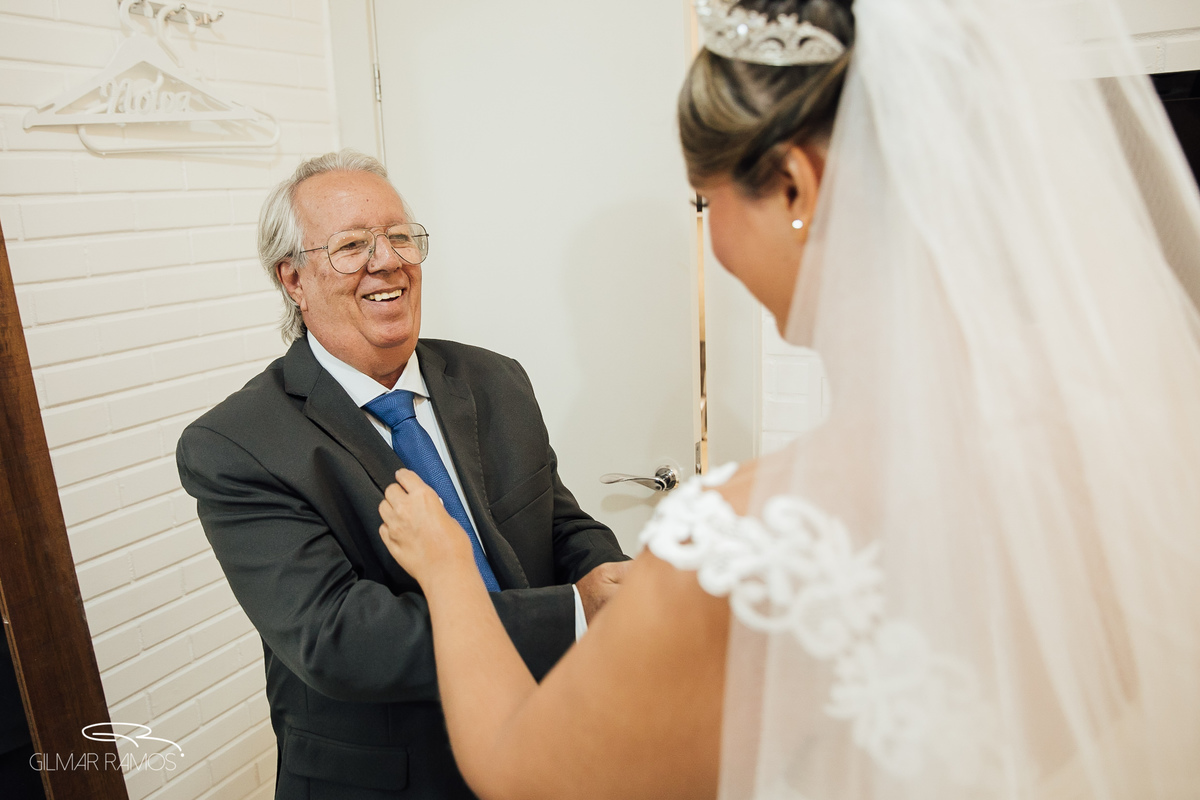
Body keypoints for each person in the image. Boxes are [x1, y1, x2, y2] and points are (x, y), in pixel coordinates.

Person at [375, 0, 1200, 798]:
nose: (714, 238)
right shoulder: (1121, 447)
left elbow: (523, 774)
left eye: (707, 203)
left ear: (797, 186)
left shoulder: (750, 541)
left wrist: (447, 570)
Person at [175, 150, 630, 800]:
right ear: (293, 280)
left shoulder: (495, 379)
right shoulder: (236, 445)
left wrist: (611, 579)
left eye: (399, 237)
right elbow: (338, 639)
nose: (386, 260)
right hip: (390, 779)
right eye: (351, 245)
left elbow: (555, 520)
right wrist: (575, 613)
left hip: (547, 737)